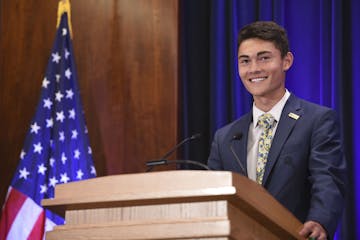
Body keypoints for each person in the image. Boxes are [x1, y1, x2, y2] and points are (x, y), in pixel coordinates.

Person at [207, 21, 346, 240]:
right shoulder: (225, 137)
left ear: (286, 61)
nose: (254, 69)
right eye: (245, 61)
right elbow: (212, 199)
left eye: (264, 58)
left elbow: (327, 180)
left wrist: (320, 220)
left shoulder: (317, 120)